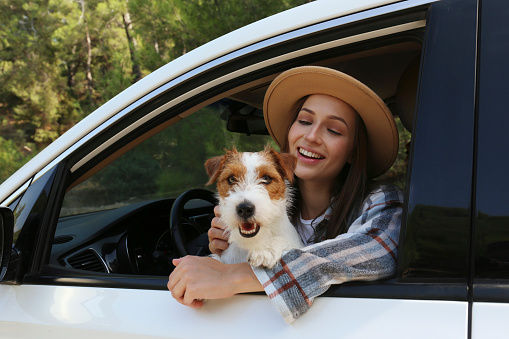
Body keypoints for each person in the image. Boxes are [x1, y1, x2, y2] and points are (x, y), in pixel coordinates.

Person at [167, 66, 403, 324]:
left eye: (333, 130)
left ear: (354, 151)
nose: (311, 136)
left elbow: (376, 250)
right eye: (304, 121)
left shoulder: (383, 200)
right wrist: (231, 249)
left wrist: (235, 276)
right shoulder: (265, 204)